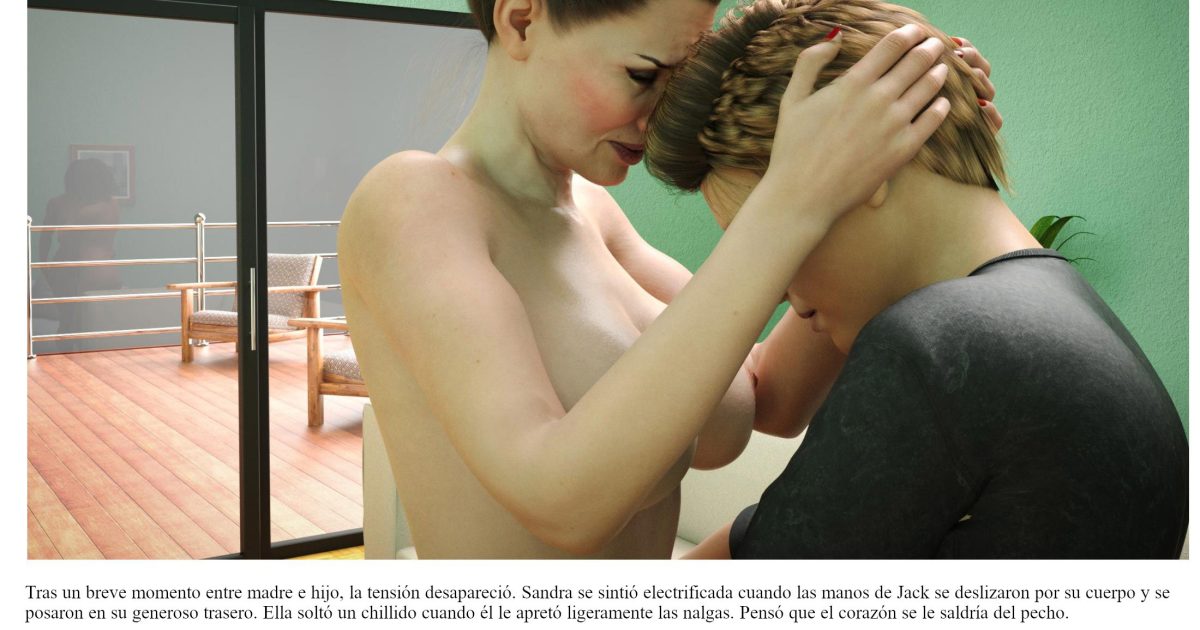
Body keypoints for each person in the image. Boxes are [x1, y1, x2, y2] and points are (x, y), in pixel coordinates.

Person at [337, 0, 992, 559]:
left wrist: (911, 153)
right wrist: (791, 201)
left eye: (676, 83)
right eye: (643, 75)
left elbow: (768, 396)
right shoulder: (413, 202)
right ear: (522, 20)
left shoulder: (594, 213)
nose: (659, 119)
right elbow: (559, 503)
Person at [644, 0, 1188, 559]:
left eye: (775, 230)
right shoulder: (1066, 319)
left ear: (868, 166)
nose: (778, 292)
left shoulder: (940, 344)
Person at [39, 158, 122, 344]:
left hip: (93, 271)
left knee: (88, 324)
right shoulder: (59, 203)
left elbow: (63, 236)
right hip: (69, 270)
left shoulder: (105, 205)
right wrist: (44, 267)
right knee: (69, 322)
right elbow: (46, 238)